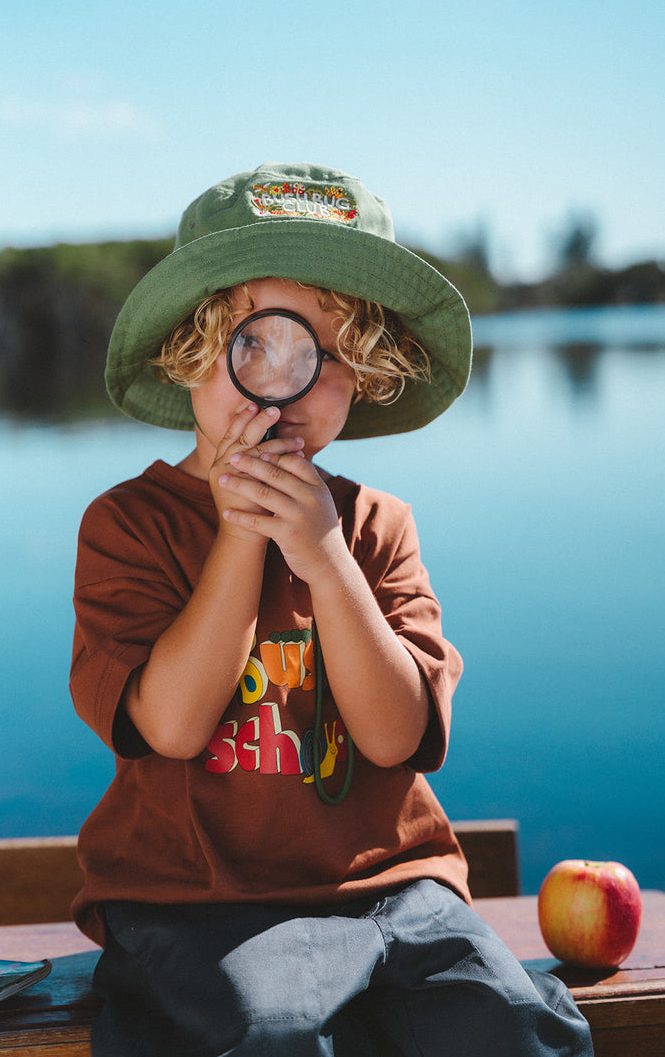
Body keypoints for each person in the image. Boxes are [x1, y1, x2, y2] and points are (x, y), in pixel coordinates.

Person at [70, 162, 593, 1056]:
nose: (285, 384)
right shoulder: (131, 526)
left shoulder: (376, 527)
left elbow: (395, 736)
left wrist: (322, 554)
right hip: (198, 902)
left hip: (396, 889)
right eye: (254, 346)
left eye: (326, 356)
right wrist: (241, 534)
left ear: (362, 380)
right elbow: (173, 722)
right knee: (274, 1035)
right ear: (195, 355)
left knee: (518, 1027)